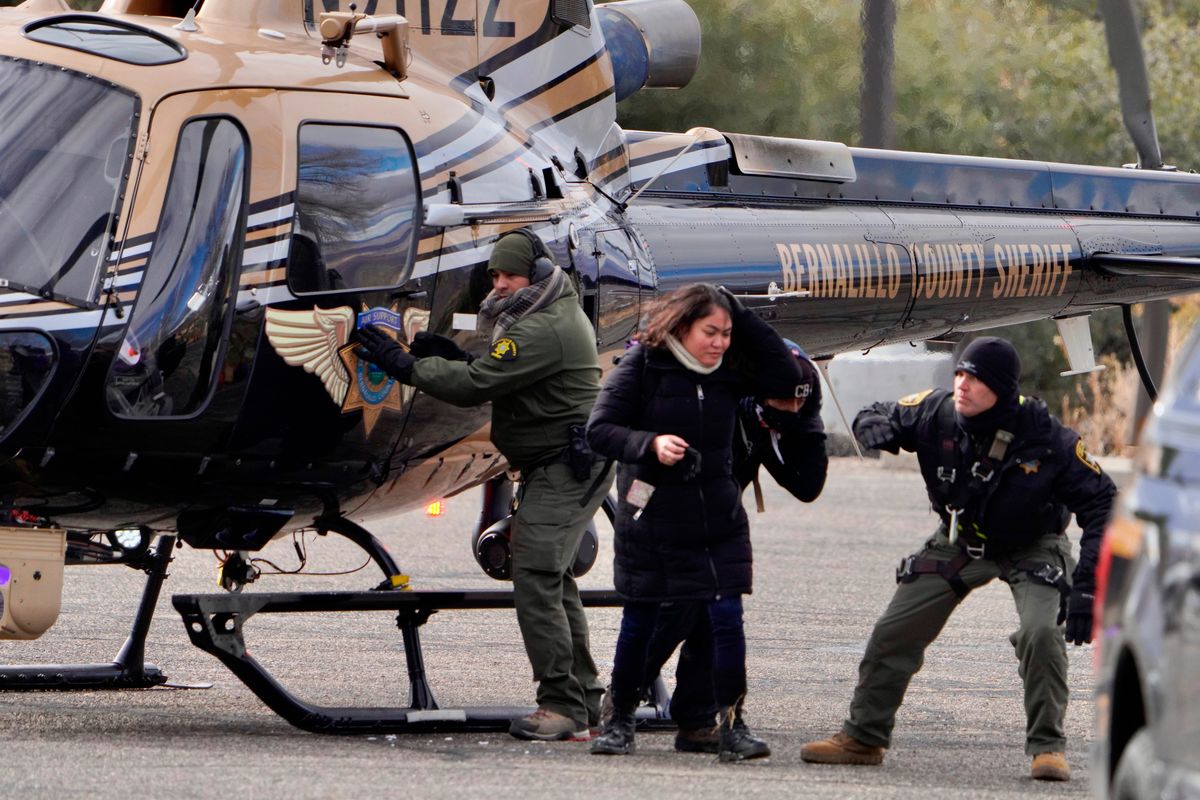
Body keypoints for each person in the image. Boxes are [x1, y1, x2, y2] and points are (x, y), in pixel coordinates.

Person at [799, 336, 1116, 782]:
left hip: (1033, 546)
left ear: (1003, 390)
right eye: (960, 373)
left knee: (1041, 633)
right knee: (894, 631)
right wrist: (872, 424)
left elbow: (1104, 504)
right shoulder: (936, 411)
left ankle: (1048, 747)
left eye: (976, 378)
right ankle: (863, 737)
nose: (962, 384)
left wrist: (1088, 586)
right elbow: (879, 410)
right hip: (959, 539)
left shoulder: (1049, 439)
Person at [357, 228, 613, 742]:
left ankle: (562, 706)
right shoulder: (539, 313)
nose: (499, 285)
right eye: (494, 275)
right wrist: (448, 355)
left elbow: (478, 385)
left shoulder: (544, 327)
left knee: (537, 574)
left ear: (536, 274)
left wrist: (404, 364)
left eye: (510, 274)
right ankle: (582, 701)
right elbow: (497, 371)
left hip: (566, 467)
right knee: (551, 577)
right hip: (553, 464)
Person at [585, 283, 807, 762]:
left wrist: (738, 312)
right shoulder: (644, 366)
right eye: (711, 331)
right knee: (641, 619)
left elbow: (784, 378)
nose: (720, 343)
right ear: (682, 328)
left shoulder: (730, 369)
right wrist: (651, 444)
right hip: (652, 511)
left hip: (717, 516)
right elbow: (599, 430)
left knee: (726, 621)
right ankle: (620, 718)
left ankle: (731, 724)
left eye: (727, 334)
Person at [626, 340, 829, 755]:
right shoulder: (707, 400)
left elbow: (807, 485)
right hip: (658, 494)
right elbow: (643, 469)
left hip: (714, 514)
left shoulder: (778, 414)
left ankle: (698, 719)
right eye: (779, 402)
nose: (787, 410)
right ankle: (620, 701)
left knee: (715, 610)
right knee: (675, 606)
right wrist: (636, 519)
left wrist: (802, 427)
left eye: (797, 403)